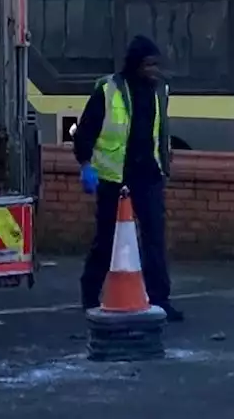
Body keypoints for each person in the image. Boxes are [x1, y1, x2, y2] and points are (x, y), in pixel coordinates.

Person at [73, 35, 182, 321]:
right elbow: (85, 131)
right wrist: (86, 164)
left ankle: (160, 299)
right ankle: (89, 294)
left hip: (148, 174)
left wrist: (165, 166)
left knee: (154, 240)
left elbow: (161, 133)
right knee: (106, 239)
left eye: (157, 64)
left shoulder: (159, 91)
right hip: (114, 177)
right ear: (135, 64)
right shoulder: (108, 90)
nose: (154, 70)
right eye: (149, 64)